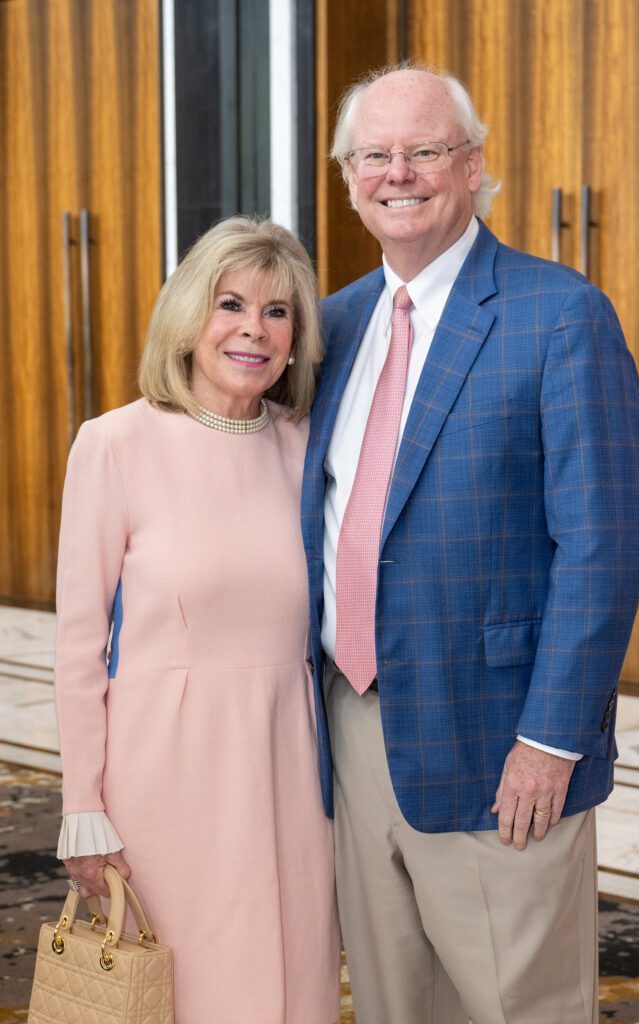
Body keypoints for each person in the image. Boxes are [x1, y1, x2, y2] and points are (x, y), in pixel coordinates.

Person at [301, 64, 639, 1024]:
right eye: (373, 154)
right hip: (353, 726)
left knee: (519, 1006)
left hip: (500, 743)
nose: (397, 173)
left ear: (472, 165)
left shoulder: (559, 314)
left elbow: (602, 546)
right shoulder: (335, 324)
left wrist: (550, 740)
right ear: (347, 177)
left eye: (424, 150)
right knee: (393, 1004)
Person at [54, 216, 340, 1024]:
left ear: (296, 339)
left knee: (293, 981)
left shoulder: (307, 448)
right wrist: (82, 806)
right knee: (187, 989)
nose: (254, 329)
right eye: (230, 304)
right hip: (164, 773)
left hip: (289, 764)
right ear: (187, 319)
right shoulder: (114, 443)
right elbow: (78, 646)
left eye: (278, 312)